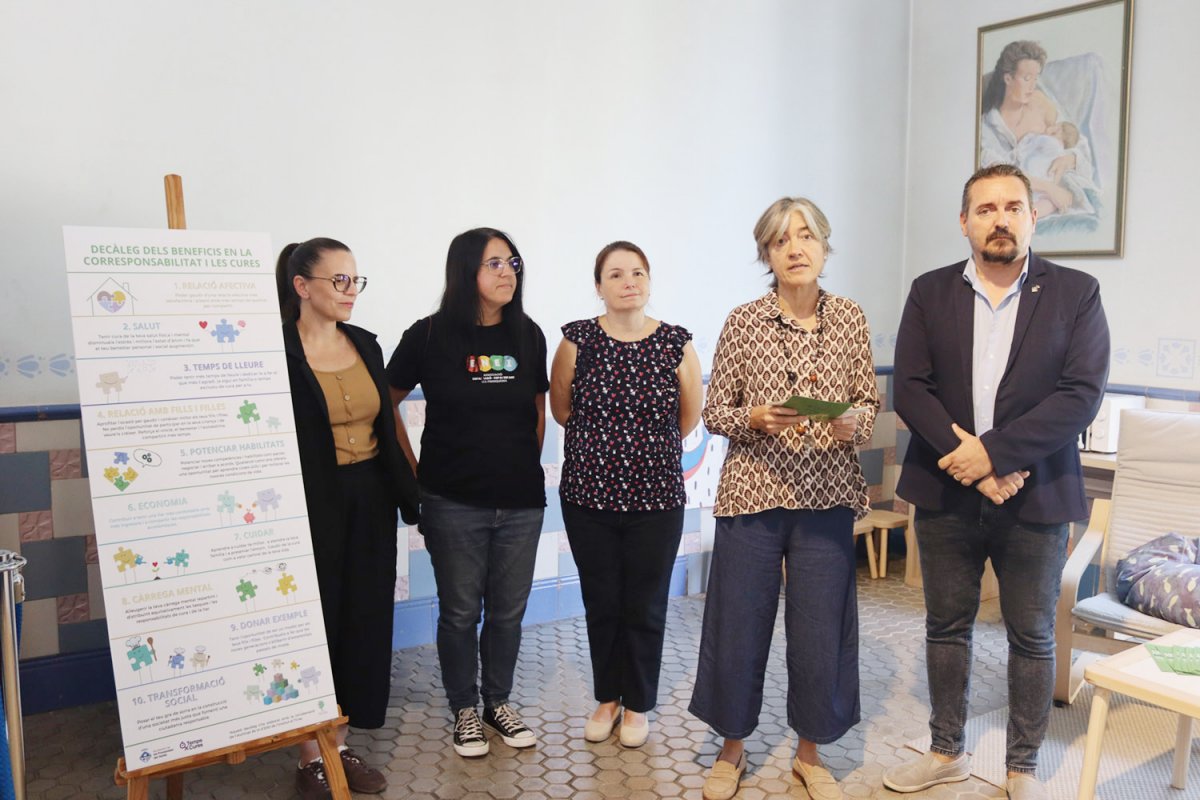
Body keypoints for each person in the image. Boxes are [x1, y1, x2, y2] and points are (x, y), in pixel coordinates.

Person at [883, 164, 1109, 800]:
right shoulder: (930, 291)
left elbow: (1080, 396)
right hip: (947, 487)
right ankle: (945, 750)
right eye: (986, 209)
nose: (1000, 219)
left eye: (1013, 207)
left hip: (1034, 492)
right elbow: (912, 387)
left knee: (1031, 634)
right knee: (945, 626)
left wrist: (995, 457)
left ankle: (1022, 768)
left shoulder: (1077, 292)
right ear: (965, 222)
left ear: (1034, 218)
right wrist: (970, 459)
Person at [688, 198, 879, 800]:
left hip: (827, 496)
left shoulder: (851, 318)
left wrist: (854, 422)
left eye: (805, 237)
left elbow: (868, 404)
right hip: (753, 493)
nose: (795, 249)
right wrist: (755, 417)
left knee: (822, 628)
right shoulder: (743, 321)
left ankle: (810, 752)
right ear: (766, 254)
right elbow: (716, 412)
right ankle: (732, 747)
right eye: (780, 241)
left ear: (824, 245)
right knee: (738, 622)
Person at [386, 227, 548, 759]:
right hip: (452, 501)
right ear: (465, 273)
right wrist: (415, 477)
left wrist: (521, 467)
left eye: (512, 262)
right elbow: (385, 403)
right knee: (459, 612)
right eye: (493, 264)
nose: (507, 272)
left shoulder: (529, 334)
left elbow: (536, 413)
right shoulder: (429, 335)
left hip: (521, 503)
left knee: (508, 612)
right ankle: (464, 710)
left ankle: (497, 702)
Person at [278, 238, 420, 800]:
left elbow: (386, 428)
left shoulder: (365, 344)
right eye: (338, 280)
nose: (350, 292)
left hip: (369, 497)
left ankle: (337, 743)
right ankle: (307, 755)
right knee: (315, 622)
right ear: (301, 287)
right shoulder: (276, 352)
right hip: (309, 501)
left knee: (364, 618)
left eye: (355, 280)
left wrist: (412, 500)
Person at [549, 241, 703, 748]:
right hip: (588, 496)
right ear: (599, 286)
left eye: (637, 272)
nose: (628, 281)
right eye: (615, 274)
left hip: (655, 499)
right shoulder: (577, 340)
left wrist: (640, 452)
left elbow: (688, 419)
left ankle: (637, 703)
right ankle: (607, 697)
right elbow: (562, 409)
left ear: (649, 281)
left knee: (645, 603)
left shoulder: (676, 344)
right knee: (602, 601)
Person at [979, 40, 1096, 217]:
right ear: (1008, 78)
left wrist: (1068, 159)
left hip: (1054, 189)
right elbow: (1001, 174)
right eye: (1027, 79)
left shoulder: (1040, 102)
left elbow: (1075, 140)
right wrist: (1049, 189)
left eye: (1036, 78)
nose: (1033, 86)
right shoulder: (989, 125)